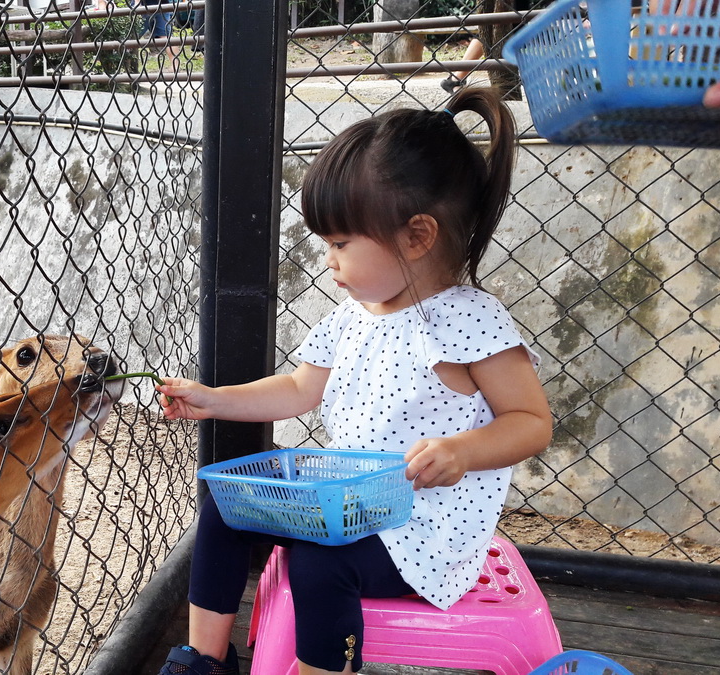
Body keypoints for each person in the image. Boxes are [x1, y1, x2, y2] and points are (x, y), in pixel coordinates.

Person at [154, 87, 554, 675]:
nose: (329, 260)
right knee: (222, 505)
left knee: (320, 563)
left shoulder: (470, 320)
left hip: (418, 535)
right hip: (347, 507)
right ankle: (203, 661)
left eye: (340, 243)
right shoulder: (354, 315)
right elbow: (297, 389)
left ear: (417, 237)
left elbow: (531, 421)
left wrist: (463, 450)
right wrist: (213, 400)